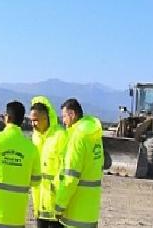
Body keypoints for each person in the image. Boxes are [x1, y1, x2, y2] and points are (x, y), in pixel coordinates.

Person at [0, 101, 41, 227]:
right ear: (22, 120)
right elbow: (36, 181)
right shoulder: (31, 148)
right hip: (15, 216)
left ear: (7, 117)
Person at [55, 98, 104, 227]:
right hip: (90, 211)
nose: (63, 121)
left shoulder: (77, 137)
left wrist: (59, 206)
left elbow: (70, 178)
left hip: (75, 212)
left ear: (72, 114)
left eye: (64, 116)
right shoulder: (94, 135)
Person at [29, 97, 67, 228]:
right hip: (39, 205)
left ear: (46, 118)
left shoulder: (60, 136)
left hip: (56, 206)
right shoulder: (35, 137)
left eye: (36, 120)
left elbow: (66, 169)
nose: (33, 124)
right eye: (31, 120)